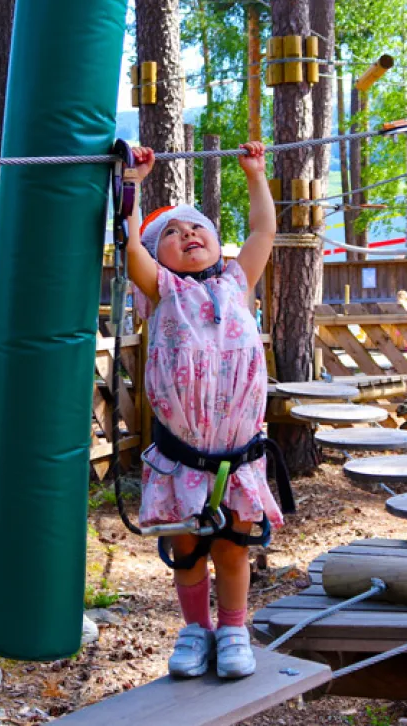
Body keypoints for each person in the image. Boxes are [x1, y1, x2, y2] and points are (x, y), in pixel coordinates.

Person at [125, 142, 285, 680]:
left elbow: (264, 231)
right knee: (189, 549)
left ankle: (235, 628)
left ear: (218, 246)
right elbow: (129, 247)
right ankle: (196, 629)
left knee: (235, 547)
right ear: (158, 254)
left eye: (197, 228)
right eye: (171, 233)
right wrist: (134, 184)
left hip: (238, 455)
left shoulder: (237, 281)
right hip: (181, 456)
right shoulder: (162, 291)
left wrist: (255, 175)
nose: (187, 234)